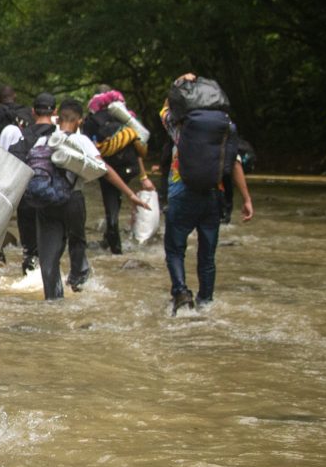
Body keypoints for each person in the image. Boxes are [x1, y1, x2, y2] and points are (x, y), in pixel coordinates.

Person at [30, 99, 148, 301]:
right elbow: (105, 171)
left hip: (45, 202)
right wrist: (131, 195)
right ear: (79, 121)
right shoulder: (82, 141)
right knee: (77, 242)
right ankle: (78, 284)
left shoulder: (42, 141)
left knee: (48, 256)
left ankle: (53, 300)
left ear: (58, 119)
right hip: (73, 200)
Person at [160, 74, 254, 313]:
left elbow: (164, 111)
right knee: (207, 255)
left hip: (182, 192)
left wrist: (177, 84)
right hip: (214, 193)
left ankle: (181, 292)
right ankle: (206, 302)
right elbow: (235, 163)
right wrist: (246, 199)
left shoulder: (179, 126)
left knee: (175, 249)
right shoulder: (226, 128)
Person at [82, 89, 153, 254]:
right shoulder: (126, 117)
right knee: (119, 200)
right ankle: (111, 238)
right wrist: (144, 177)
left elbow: (90, 151)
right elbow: (138, 148)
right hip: (129, 167)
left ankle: (115, 247)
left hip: (107, 169)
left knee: (111, 204)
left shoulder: (92, 121)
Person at [0, 92, 50, 271]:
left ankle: (29, 269)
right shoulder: (61, 137)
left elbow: (11, 166)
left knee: (29, 249)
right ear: (55, 111)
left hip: (27, 197)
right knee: (51, 247)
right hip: (55, 199)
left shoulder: (22, 137)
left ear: (33, 111)